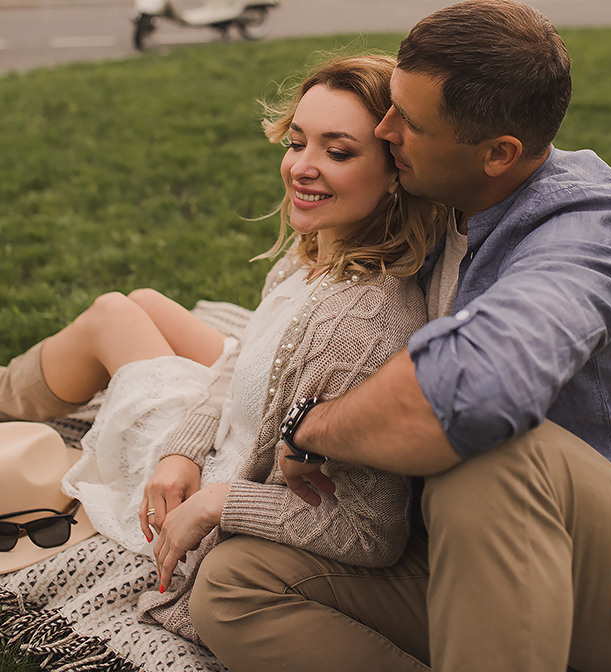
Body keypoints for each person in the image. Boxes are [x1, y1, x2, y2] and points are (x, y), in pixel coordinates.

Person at [186, 0, 611, 672]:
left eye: (406, 122)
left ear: (498, 153)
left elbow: (467, 395)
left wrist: (309, 427)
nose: (384, 130)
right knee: (236, 581)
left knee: (495, 453)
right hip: (464, 546)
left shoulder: (590, 230)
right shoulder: (444, 196)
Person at [0, 53, 443, 648]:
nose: (301, 168)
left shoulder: (365, 322)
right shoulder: (315, 251)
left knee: (113, 314)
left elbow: (370, 531)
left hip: (231, 479)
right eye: (297, 141)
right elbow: (245, 359)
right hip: (217, 445)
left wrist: (217, 501)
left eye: (337, 152)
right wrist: (184, 450)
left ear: (396, 171)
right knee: (143, 303)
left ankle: (8, 391)